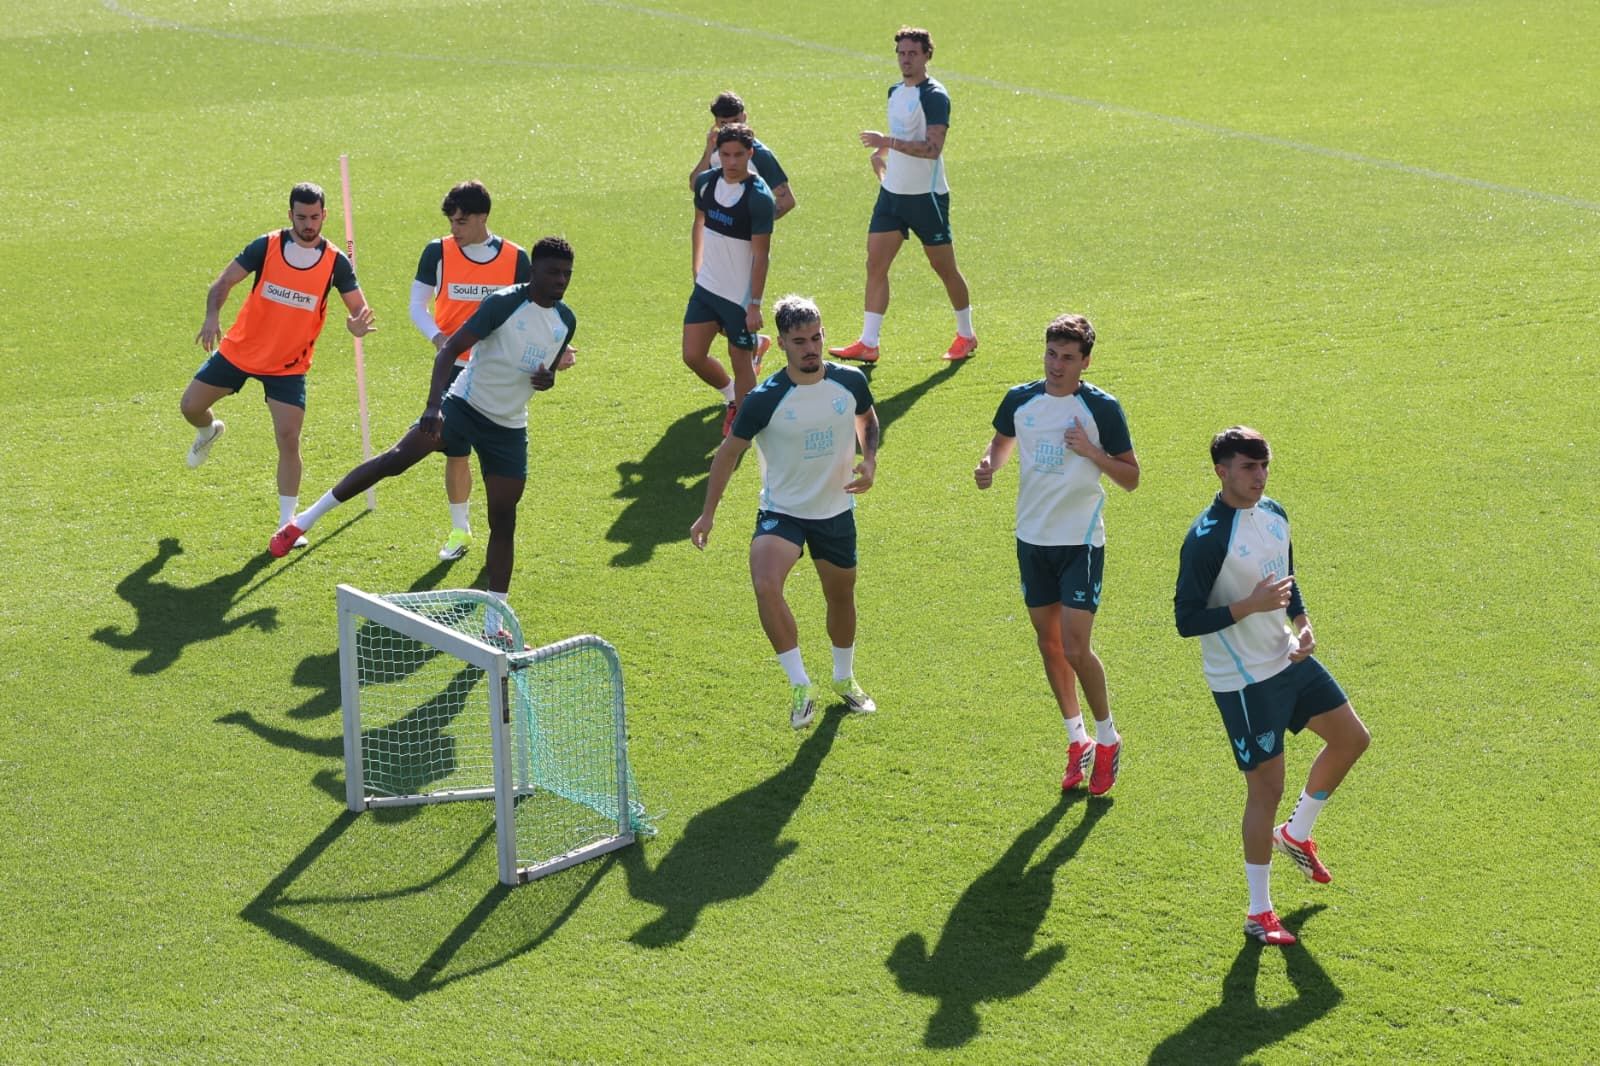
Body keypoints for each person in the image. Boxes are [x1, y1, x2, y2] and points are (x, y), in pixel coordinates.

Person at [270, 237, 578, 642]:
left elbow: (546, 371)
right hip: (463, 407)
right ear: (534, 271)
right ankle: (302, 521)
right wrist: (434, 406)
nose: (560, 281)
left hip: (509, 427)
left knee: (504, 520)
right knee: (395, 460)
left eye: (566, 275)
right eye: (553, 272)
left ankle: (492, 624)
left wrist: (548, 379)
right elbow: (449, 349)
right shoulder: (503, 304)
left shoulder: (566, 320)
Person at [1174, 427, 1371, 946]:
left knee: (1352, 739)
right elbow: (1185, 619)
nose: (1259, 477)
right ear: (1221, 471)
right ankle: (1258, 911)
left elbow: (1286, 574)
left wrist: (1302, 621)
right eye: (1248, 467)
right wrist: (1249, 606)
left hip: (1286, 658)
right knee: (1266, 788)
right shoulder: (1207, 538)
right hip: (1244, 680)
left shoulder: (1275, 514)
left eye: (1264, 466)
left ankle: (1296, 834)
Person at [690, 295, 879, 729]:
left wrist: (869, 461)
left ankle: (843, 679)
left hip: (834, 510)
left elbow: (867, 418)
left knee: (840, 597)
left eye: (816, 338)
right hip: (783, 512)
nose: (811, 348)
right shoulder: (765, 398)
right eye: (800, 341)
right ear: (783, 343)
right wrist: (708, 514)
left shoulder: (849, 382)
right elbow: (727, 455)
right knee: (765, 582)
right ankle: (800, 687)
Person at [973, 314, 1139, 796]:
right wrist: (989, 466)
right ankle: (1077, 740)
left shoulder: (1101, 409)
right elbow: (1002, 443)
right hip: (1032, 539)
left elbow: (1130, 477)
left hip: (1080, 542)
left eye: (1068, 357)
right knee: (1049, 645)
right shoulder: (1020, 400)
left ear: (1085, 361)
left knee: (1074, 646)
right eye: (1051, 354)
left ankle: (1107, 739)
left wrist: (1091, 451)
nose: (1057, 365)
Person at [182, 182, 376, 542]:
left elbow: (359, 310)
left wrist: (356, 326)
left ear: (325, 215)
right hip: (240, 351)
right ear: (290, 215)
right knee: (190, 406)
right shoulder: (267, 245)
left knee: (288, 439)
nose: (308, 224)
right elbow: (223, 282)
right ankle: (208, 432)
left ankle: (288, 523)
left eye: (315, 217)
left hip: (288, 365)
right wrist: (212, 316)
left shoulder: (336, 262)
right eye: (301, 217)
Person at [829, 26, 976, 365]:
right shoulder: (895, 91)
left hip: (925, 198)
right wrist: (884, 159)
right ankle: (869, 342)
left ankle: (966, 334)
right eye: (901, 53)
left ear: (927, 55)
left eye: (913, 53)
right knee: (875, 264)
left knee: (943, 267)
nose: (905, 59)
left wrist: (888, 143)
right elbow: (901, 138)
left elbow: (933, 148)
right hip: (892, 196)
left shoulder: (935, 95)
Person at [409, 180, 532, 561]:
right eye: (450, 221)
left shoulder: (516, 258)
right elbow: (417, 306)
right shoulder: (438, 252)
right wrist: (440, 342)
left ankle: (502, 532)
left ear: (482, 217)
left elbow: (530, 314)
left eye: (461, 222)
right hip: (453, 370)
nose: (454, 229)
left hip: (499, 373)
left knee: (498, 455)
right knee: (455, 451)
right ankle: (459, 530)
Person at [684, 123, 776, 437]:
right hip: (706, 288)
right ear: (717, 153)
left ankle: (747, 428)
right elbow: (698, 224)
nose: (732, 162)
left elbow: (761, 255)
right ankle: (732, 398)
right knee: (692, 355)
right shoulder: (707, 183)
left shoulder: (759, 197)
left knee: (741, 364)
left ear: (750, 154)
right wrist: (696, 268)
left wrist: (754, 305)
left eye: (739, 155)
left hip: (737, 298)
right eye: (725, 154)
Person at [689, 91, 797, 219]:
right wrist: (708, 150)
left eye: (736, 121)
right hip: (715, 230)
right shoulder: (715, 147)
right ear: (716, 123)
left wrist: (751, 226)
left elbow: (787, 201)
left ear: (744, 117)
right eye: (724, 123)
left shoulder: (760, 155)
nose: (732, 128)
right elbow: (695, 185)